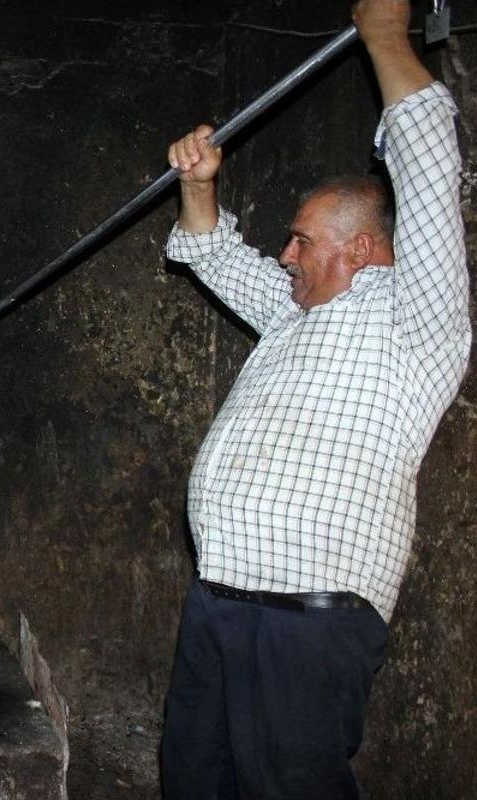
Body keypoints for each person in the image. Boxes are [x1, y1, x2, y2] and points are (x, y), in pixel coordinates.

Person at [160, 1, 471, 798]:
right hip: (220, 600)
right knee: (194, 781)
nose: (284, 253)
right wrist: (198, 184)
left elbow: (429, 169)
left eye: (301, 239)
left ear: (361, 249)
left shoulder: (416, 322)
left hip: (309, 619)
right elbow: (213, 253)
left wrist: (385, 39)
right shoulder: (293, 314)